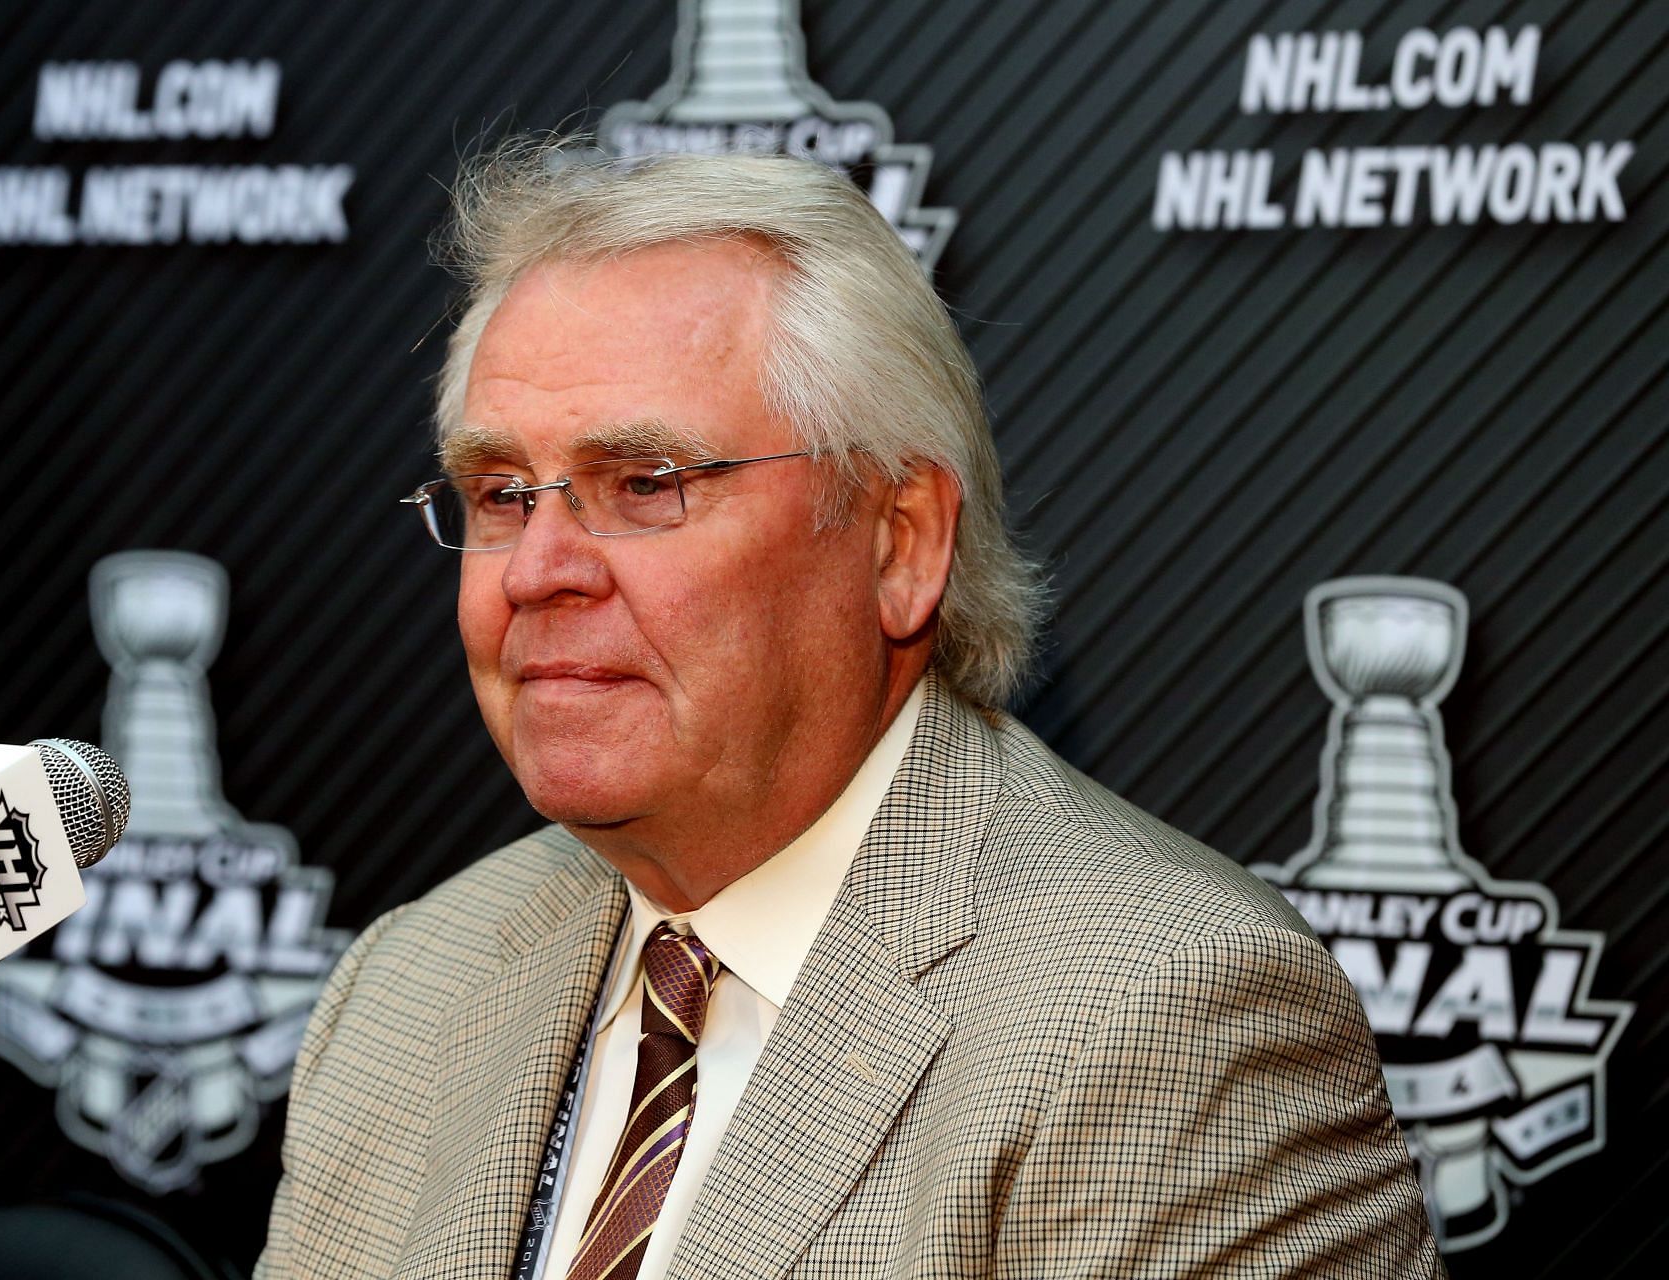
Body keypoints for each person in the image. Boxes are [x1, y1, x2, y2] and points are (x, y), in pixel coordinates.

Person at [256, 142, 1443, 1279]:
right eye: (503, 493)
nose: (536, 569)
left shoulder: (1164, 1018)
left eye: (647, 483)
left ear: (900, 539)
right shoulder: (410, 981)